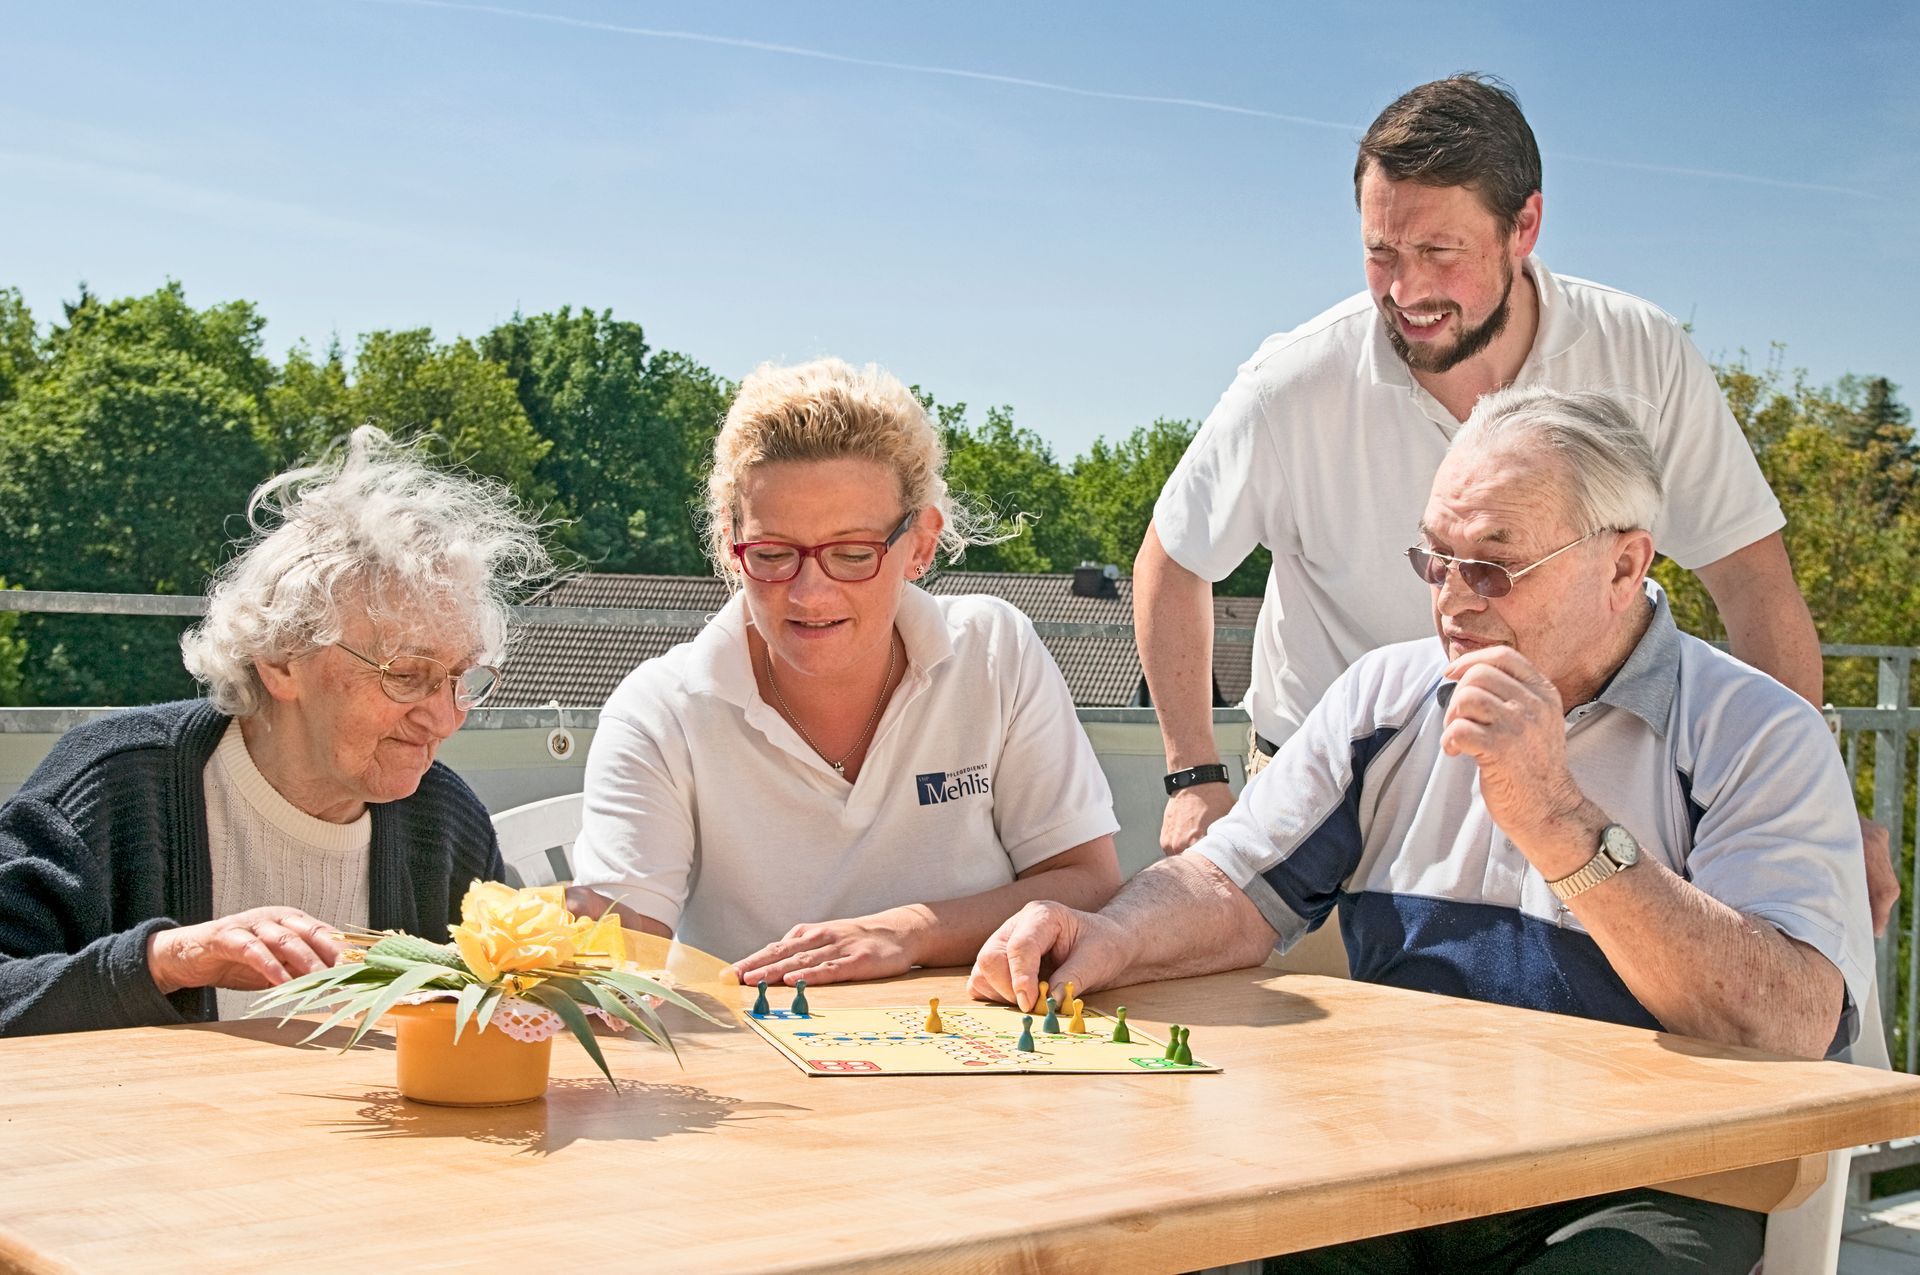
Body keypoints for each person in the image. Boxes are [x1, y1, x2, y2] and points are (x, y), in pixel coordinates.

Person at [972, 387, 1873, 1273]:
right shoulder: (1385, 697)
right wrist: (1106, 934)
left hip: (1643, 1187)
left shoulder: (1757, 733)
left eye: (1494, 565)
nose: (1452, 602)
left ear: (1624, 566)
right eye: (1435, 560)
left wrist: (1561, 824)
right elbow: (1229, 884)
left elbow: (1789, 1018)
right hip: (1394, 1163)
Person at [1135, 72, 1897, 931]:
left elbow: (1754, 584)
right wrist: (1192, 774)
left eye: (1440, 254)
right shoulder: (1293, 383)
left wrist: (1809, 802)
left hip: (1579, 785)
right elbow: (1172, 560)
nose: (1405, 291)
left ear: (1524, 227)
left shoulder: (1643, 356)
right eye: (1381, 253)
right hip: (1328, 800)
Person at [566, 358, 1122, 985]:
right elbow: (616, 951)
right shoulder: (659, 710)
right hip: (755, 1067)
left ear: (921, 543)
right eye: (773, 554)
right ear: (729, 543)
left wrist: (910, 931)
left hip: (975, 1055)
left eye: (853, 554)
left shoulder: (995, 651)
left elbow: (1087, 881)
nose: (810, 593)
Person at [0, 427, 546, 1035]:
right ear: (282, 659)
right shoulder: (114, 784)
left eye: (459, 677)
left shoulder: (445, 820)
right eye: (407, 674)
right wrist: (167, 961)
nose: (444, 719)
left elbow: (499, 1017)